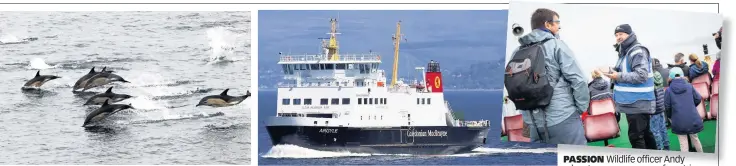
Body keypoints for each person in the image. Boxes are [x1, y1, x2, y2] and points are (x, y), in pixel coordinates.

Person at [515, 8, 589, 145]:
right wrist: (580, 109)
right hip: (563, 119)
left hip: (533, 124)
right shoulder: (556, 45)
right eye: (557, 22)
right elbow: (579, 80)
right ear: (548, 25)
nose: (559, 26)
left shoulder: (517, 52)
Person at [600, 24, 657, 149]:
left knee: (636, 136)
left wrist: (617, 76)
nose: (618, 37)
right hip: (634, 102)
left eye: (621, 34)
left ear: (629, 34)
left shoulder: (637, 51)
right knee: (645, 134)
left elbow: (641, 76)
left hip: (638, 101)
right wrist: (611, 71)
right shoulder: (625, 53)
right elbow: (623, 71)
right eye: (616, 35)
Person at [664, 67, 704, 152]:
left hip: (678, 120)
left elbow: (667, 107)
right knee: (696, 139)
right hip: (692, 117)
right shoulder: (690, 86)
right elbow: (698, 99)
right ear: (682, 75)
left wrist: (671, 117)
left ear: (670, 76)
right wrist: (691, 106)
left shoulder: (668, 90)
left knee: (683, 144)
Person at [650, 66, 670, 150]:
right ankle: (667, 147)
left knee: (655, 131)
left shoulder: (650, 78)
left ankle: (659, 149)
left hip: (654, 109)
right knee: (663, 128)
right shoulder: (658, 75)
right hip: (661, 107)